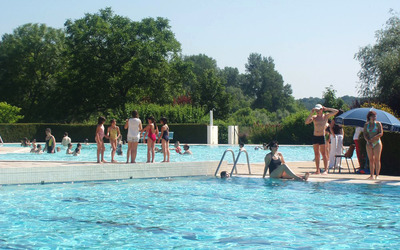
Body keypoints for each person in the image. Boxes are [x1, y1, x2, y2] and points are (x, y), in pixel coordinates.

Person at [305, 104, 338, 174]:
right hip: (315, 136)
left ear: (321, 110)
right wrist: (311, 113)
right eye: (316, 110)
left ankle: (326, 170)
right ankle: (317, 170)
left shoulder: (325, 116)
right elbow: (306, 122)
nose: (317, 111)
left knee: (324, 154)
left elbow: (336, 111)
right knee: (316, 154)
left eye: (318, 110)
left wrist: (327, 108)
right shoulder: (314, 117)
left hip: (321, 136)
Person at [363, 111, 383, 180]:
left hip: (377, 142)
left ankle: (377, 175)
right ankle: (371, 175)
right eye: (373, 116)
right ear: (369, 117)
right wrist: (368, 140)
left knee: (377, 159)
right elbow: (365, 134)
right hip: (369, 143)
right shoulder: (366, 125)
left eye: (375, 116)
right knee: (371, 159)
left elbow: (381, 133)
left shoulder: (378, 124)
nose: (374, 118)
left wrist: (374, 138)